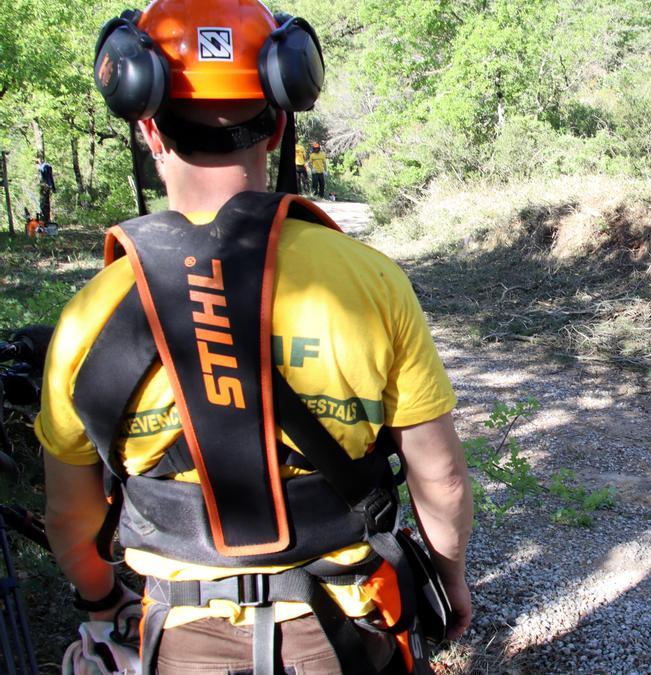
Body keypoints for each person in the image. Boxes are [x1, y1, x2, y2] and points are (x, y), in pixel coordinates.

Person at [38, 2, 473, 673]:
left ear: (149, 129)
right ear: (277, 127)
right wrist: (450, 579)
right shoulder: (371, 283)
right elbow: (438, 478)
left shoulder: (87, 317)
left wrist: (100, 602)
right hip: (345, 633)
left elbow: (70, 519)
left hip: (181, 640)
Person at [36, 159, 55, 224]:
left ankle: (45, 220)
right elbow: (51, 177)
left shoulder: (43, 167)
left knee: (44, 204)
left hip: (45, 187)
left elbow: (45, 176)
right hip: (48, 186)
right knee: (46, 203)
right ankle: (46, 219)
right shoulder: (48, 166)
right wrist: (53, 187)